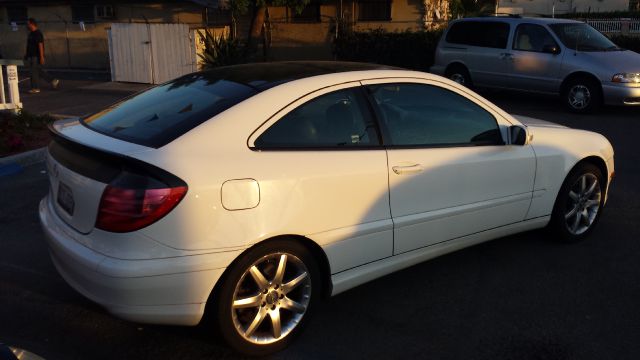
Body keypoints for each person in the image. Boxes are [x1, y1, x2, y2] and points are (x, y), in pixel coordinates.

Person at [25, 18, 59, 94]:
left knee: (34, 72)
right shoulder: (30, 34)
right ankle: (53, 80)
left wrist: (42, 56)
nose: (27, 25)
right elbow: (29, 46)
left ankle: (35, 88)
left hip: (36, 56)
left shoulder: (38, 33)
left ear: (32, 24)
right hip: (31, 56)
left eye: (28, 24)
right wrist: (26, 55)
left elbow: (40, 45)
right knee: (38, 71)